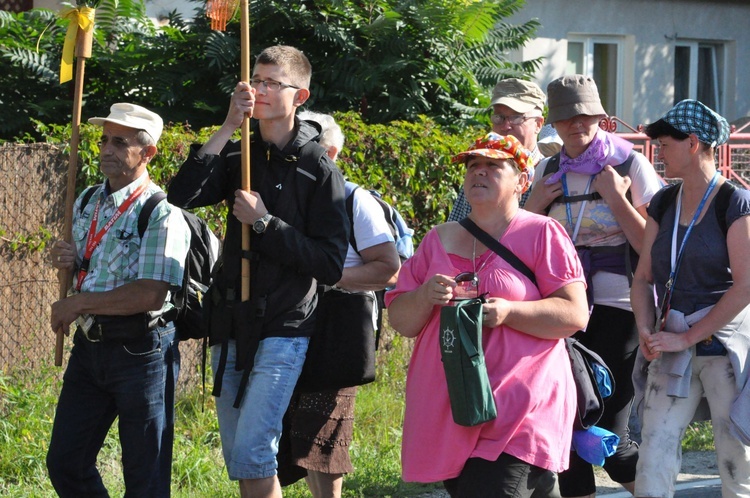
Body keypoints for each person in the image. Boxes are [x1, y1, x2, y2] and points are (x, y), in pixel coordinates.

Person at [167, 46, 349, 498]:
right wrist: (230, 124)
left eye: (272, 83)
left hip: (285, 326)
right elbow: (181, 195)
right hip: (230, 324)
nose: (259, 90)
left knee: (252, 449)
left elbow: (328, 263)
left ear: (299, 95)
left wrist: (265, 224)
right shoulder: (237, 155)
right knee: (243, 458)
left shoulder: (318, 168)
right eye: (255, 80)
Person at [386, 132, 589, 498]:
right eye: (472, 166)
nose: (478, 173)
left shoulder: (542, 233)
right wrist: (424, 295)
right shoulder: (438, 239)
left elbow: (575, 314)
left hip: (520, 407)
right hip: (456, 409)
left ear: (522, 181)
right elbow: (401, 321)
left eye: (493, 166)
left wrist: (510, 311)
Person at [524, 75, 662, 498]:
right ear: (553, 122)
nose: (576, 124)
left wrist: (617, 199)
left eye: (585, 115)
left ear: (601, 118)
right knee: (566, 420)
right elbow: (521, 240)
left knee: (608, 431)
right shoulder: (546, 170)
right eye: (566, 117)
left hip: (619, 303)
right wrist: (534, 206)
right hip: (562, 303)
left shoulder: (629, 164)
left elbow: (650, 249)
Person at [46, 103, 191, 497]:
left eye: (119, 142)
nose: (106, 149)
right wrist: (68, 259)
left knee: (144, 477)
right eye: (103, 139)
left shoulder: (161, 213)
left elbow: (150, 293)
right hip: (90, 349)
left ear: (148, 152)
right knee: (65, 463)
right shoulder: (88, 200)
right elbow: (88, 261)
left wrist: (78, 303)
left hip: (142, 353)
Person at [277, 111, 401, 497]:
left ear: (328, 153)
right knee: (293, 429)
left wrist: (325, 276)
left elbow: (388, 270)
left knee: (324, 434)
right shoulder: (285, 197)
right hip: (289, 319)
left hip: (338, 326)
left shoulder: (354, 200)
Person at [631, 99, 750, 497]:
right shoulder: (664, 202)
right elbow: (643, 277)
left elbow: (746, 286)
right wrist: (646, 329)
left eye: (664, 144)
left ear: (693, 143)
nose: (658, 153)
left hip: (724, 347)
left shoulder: (734, 202)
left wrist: (688, 336)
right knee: (653, 454)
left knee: (736, 461)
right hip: (671, 346)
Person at [448, 78, 546, 220]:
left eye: (516, 117)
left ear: (538, 124)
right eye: (499, 117)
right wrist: (531, 210)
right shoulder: (480, 174)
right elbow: (457, 235)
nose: (505, 126)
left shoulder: (551, 174)